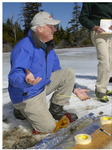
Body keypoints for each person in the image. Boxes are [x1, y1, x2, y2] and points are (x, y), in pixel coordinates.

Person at [8, 11, 90, 134]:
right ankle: (20, 109)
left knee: (68, 73)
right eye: (51, 26)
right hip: (26, 94)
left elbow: (57, 71)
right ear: (40, 28)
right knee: (48, 128)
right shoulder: (24, 47)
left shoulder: (48, 47)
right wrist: (25, 79)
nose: (55, 29)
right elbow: (14, 75)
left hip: (40, 86)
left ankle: (56, 109)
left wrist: (75, 89)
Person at [79, 3, 112, 103]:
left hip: (110, 34)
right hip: (98, 33)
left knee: (110, 61)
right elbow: (83, 18)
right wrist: (93, 27)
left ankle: (104, 88)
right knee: (104, 60)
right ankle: (100, 90)